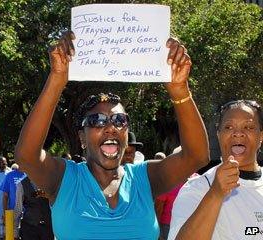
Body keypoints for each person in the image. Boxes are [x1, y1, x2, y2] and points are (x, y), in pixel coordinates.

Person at [14, 31, 209, 239]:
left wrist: (180, 91)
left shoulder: (146, 179)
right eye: (97, 120)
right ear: (81, 138)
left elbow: (196, 156)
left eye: (119, 120)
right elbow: (26, 155)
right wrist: (56, 80)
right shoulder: (64, 179)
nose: (110, 127)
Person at [168, 100, 263, 239]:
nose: (238, 133)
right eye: (229, 127)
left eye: (248, 127)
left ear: (261, 136)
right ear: (219, 134)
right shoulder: (197, 188)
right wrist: (215, 194)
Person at [0, 163, 26, 239]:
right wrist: (5, 212)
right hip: (14, 212)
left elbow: (5, 196)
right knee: (14, 235)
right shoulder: (10, 175)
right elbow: (5, 195)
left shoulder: (30, 174)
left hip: (27, 213)